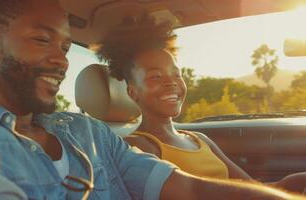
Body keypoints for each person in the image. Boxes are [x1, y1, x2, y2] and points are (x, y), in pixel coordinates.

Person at [0, 0, 304, 199]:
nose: (62, 60)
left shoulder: (89, 132)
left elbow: (187, 188)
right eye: (42, 41)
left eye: (65, 47)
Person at [96, 15, 306, 194]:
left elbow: (251, 188)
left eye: (176, 74)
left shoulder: (200, 139)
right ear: (133, 92)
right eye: (156, 77)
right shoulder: (136, 146)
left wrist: (292, 182)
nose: (171, 83)